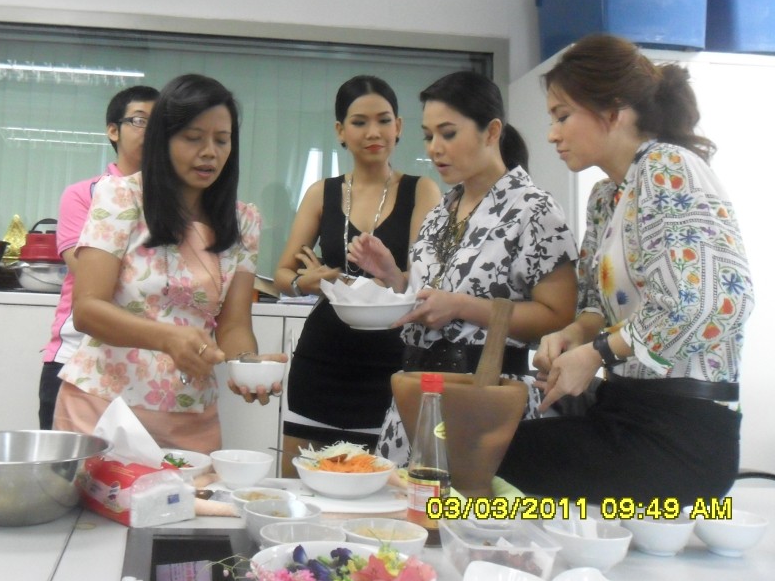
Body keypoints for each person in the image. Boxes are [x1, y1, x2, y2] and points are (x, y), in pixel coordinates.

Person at [497, 34, 753, 504]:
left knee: (496, 458)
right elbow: (599, 305)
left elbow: (706, 303)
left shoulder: (668, 167)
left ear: (613, 111)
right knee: (492, 447)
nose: (552, 133)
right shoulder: (607, 196)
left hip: (682, 432)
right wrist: (576, 334)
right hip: (625, 408)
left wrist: (596, 354)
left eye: (562, 116)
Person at [347, 71, 578, 465]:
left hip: (487, 398)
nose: (435, 148)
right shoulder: (442, 210)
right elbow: (432, 298)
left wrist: (461, 306)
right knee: (409, 520)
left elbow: (559, 315)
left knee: (473, 519)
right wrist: (393, 276)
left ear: (491, 132)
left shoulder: (534, 209)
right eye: (428, 135)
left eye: (448, 134)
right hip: (418, 393)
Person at [53, 74, 284, 452]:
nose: (210, 152)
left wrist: (248, 366)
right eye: (193, 138)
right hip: (103, 409)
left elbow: (235, 324)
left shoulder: (244, 222)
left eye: (221, 140)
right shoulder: (121, 197)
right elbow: (87, 310)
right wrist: (167, 338)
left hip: (191, 416)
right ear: (163, 140)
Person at [275, 76, 441, 470]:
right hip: (321, 361)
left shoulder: (422, 190)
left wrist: (379, 274)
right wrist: (304, 282)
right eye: (359, 122)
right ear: (340, 131)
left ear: (399, 127)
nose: (373, 133)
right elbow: (283, 273)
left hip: (393, 363)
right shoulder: (322, 193)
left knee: (384, 489)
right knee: (302, 484)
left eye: (384, 121)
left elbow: (425, 284)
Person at [38, 85, 159, 429]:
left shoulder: (177, 205)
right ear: (112, 130)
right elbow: (85, 271)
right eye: (140, 121)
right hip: (77, 355)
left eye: (160, 124)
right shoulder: (83, 194)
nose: (151, 132)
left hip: (150, 367)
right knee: (65, 477)